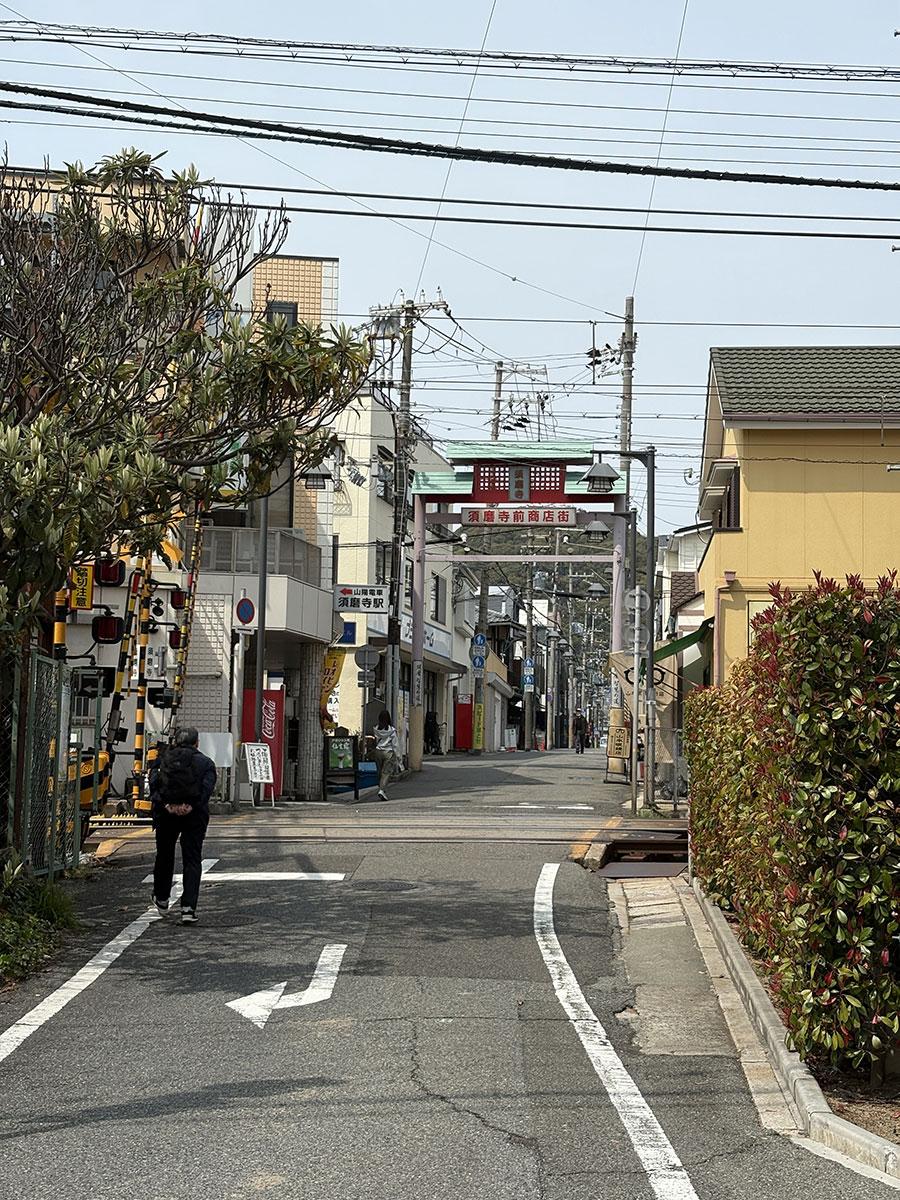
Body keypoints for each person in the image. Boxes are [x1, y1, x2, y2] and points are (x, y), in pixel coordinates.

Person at [149, 727, 216, 924]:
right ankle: (188, 908)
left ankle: (162, 899)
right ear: (197, 743)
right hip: (194, 816)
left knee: (164, 855)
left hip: (166, 814)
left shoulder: (162, 760)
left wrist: (168, 805)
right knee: (192, 859)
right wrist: (190, 806)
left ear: (175, 741)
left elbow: (153, 786)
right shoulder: (206, 763)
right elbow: (206, 790)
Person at [373, 709, 400, 801]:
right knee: (386, 773)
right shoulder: (392, 730)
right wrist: (399, 757)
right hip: (388, 752)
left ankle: (380, 787)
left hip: (378, 751)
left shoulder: (376, 729)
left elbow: (375, 741)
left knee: (379, 771)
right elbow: (395, 745)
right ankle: (382, 790)